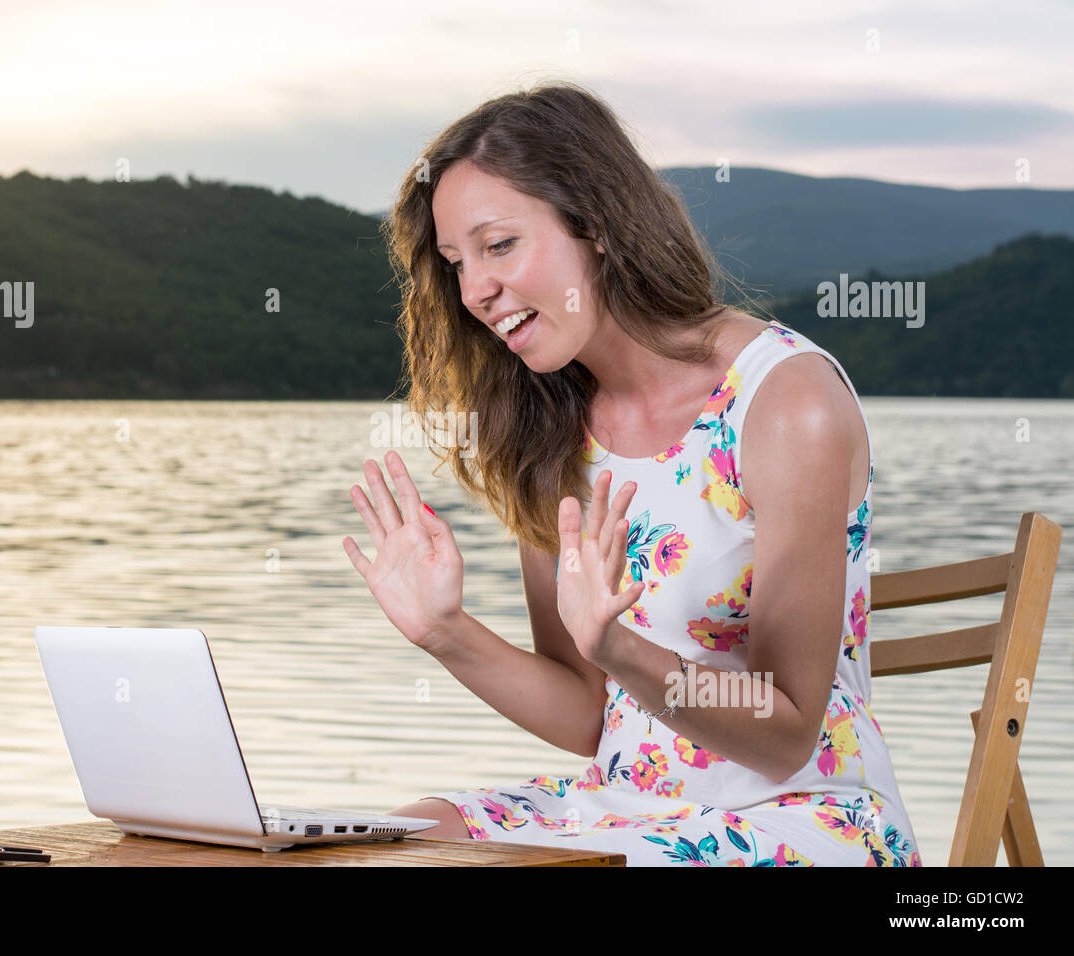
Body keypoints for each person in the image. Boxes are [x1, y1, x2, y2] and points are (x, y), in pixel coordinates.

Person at [342, 81, 920, 866]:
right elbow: (589, 715)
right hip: (628, 804)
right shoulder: (546, 433)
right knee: (384, 846)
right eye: (455, 264)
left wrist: (621, 650)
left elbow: (785, 733)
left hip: (798, 812)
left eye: (499, 245)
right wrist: (447, 633)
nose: (475, 291)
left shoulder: (785, 402)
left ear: (597, 225)